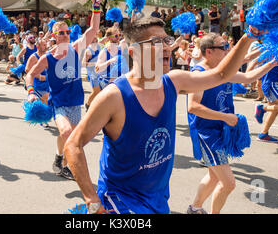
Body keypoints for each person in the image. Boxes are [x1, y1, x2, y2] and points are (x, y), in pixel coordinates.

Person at [64, 14, 263, 214]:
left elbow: (221, 74)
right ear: (135, 52)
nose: (167, 47)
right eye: (156, 42)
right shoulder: (114, 97)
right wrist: (92, 199)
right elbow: (73, 144)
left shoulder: (174, 81)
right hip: (120, 200)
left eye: (167, 40)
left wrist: (250, 35)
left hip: (158, 199)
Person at [187, 33, 277, 214]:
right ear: (209, 52)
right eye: (224, 47)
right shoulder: (199, 74)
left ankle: (194, 208)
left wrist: (273, 62)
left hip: (220, 130)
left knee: (214, 176)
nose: (228, 50)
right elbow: (193, 107)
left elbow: (248, 78)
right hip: (207, 133)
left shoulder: (223, 71)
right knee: (229, 183)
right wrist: (225, 117)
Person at [25, 0, 102, 180]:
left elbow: (93, 28)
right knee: (67, 133)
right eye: (61, 33)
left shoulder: (76, 48)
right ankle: (73, 167)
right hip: (58, 103)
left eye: (68, 32)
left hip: (75, 101)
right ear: (54, 36)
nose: (66, 35)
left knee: (69, 134)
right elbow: (30, 74)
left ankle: (60, 160)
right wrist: (31, 92)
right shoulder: (47, 58)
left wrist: (96, 6)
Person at [95, 26, 129, 90]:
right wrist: (109, 61)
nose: (118, 37)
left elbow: (130, 37)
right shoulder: (104, 52)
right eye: (116, 36)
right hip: (106, 81)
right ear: (109, 37)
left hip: (117, 81)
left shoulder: (121, 47)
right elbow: (97, 69)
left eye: (119, 35)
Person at [83, 36, 102, 110]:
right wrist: (95, 63)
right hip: (92, 73)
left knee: (100, 90)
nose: (96, 39)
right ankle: (87, 105)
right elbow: (83, 63)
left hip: (100, 72)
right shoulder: (88, 50)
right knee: (96, 91)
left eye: (96, 38)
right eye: (93, 38)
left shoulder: (99, 47)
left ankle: (96, 107)